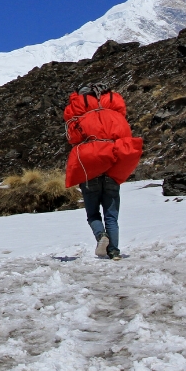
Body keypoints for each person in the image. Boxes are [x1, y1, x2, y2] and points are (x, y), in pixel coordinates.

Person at [64, 83, 144, 260]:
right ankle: (114, 251)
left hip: (90, 165)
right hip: (113, 166)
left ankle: (101, 237)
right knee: (111, 215)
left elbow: (73, 138)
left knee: (92, 213)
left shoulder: (82, 117)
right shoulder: (117, 117)